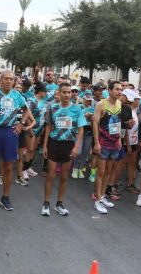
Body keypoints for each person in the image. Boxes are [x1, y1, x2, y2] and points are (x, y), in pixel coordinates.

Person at [0, 70, 31, 211]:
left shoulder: (17, 95)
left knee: (8, 166)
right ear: (1, 80)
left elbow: (27, 110)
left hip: (10, 132)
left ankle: (5, 197)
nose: (9, 81)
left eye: (11, 79)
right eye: (6, 79)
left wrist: (21, 123)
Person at [41, 83, 86, 216]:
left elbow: (81, 128)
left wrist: (77, 146)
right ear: (59, 93)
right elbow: (48, 127)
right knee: (51, 175)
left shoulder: (77, 109)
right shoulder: (53, 107)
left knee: (64, 176)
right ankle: (46, 203)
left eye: (69, 92)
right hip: (54, 143)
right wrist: (44, 145)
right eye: (64, 92)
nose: (67, 95)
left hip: (69, 144)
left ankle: (59, 203)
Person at [92, 81, 123, 214]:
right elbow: (95, 123)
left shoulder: (120, 103)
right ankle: (97, 200)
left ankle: (102, 195)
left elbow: (118, 122)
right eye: (117, 89)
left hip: (115, 143)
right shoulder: (101, 104)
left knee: (109, 171)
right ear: (109, 90)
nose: (119, 92)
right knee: (101, 171)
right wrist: (96, 142)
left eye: (121, 90)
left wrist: (120, 139)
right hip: (103, 143)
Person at [72, 91, 94, 178]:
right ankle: (75, 168)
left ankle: (80, 169)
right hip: (80, 131)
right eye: (87, 100)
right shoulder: (79, 107)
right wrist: (84, 116)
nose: (89, 102)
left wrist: (91, 117)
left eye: (90, 100)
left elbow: (95, 120)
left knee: (85, 152)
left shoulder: (93, 108)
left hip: (89, 132)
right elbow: (75, 118)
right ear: (84, 99)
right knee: (79, 151)